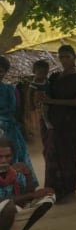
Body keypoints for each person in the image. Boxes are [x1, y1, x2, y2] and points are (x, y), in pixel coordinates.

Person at [38, 45, 76, 201]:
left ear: (74, 57)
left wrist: (52, 101)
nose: (64, 60)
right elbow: (43, 95)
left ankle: (68, 189)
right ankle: (53, 191)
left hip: (69, 124)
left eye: (67, 56)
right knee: (51, 155)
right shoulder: (54, 78)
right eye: (61, 57)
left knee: (68, 156)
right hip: (52, 123)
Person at [0, 137, 55, 230]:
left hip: (9, 211)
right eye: (0, 157)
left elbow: (27, 198)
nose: (4, 160)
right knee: (9, 206)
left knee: (48, 198)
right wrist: (33, 195)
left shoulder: (14, 171)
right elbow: (5, 201)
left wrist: (28, 174)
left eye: (7, 156)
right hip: (5, 209)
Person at [0, 56, 39, 192]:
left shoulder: (12, 89)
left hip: (11, 131)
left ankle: (21, 191)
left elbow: (17, 110)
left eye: (2, 70)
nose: (0, 73)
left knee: (15, 157)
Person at [29, 59, 54, 130]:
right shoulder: (34, 83)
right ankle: (47, 121)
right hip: (42, 100)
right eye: (40, 73)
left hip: (49, 98)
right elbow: (29, 94)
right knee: (44, 109)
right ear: (34, 72)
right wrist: (31, 104)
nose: (43, 75)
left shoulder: (46, 79)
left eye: (45, 73)